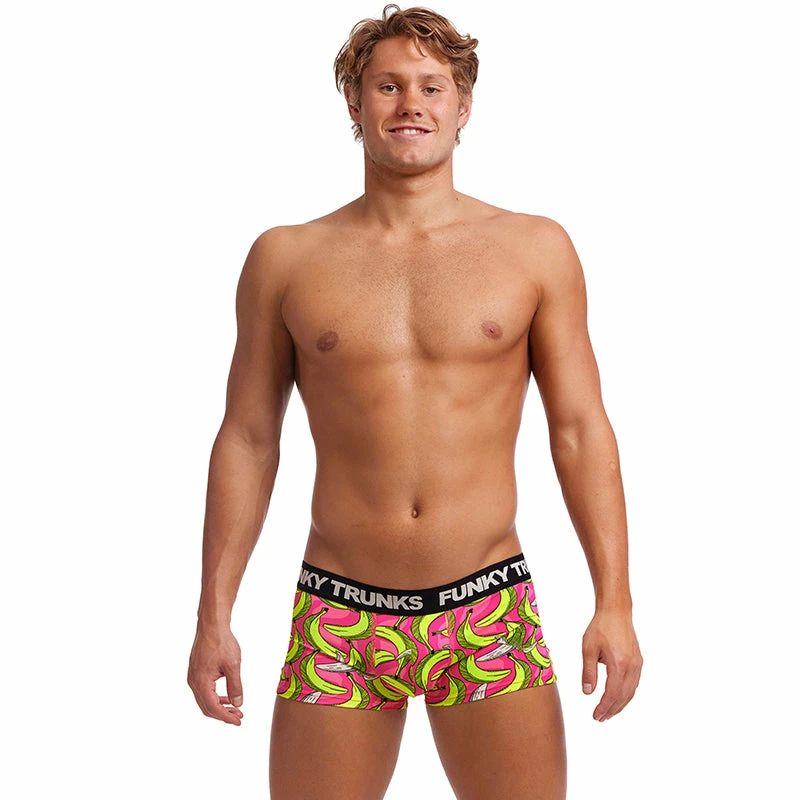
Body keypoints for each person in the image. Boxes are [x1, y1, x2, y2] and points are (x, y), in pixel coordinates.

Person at [187, 4, 643, 798]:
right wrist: (212, 614)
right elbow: (249, 438)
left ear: (463, 107)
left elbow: (579, 430)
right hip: (340, 614)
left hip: (486, 607)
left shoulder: (534, 249)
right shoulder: (286, 258)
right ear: (354, 101)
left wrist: (616, 602)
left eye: (433, 87)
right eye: (388, 85)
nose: (411, 104)